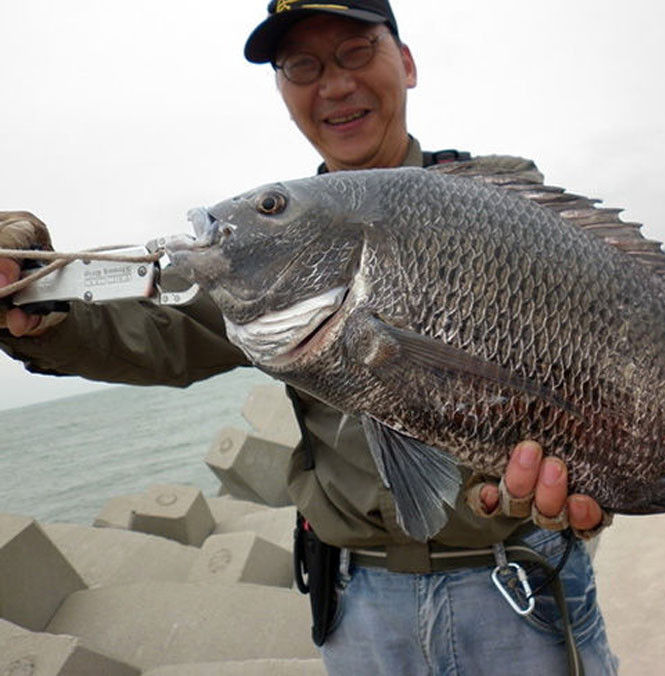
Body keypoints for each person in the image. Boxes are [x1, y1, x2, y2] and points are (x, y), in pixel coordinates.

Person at [0, 2, 619, 674]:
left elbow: (603, 352)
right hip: (359, 601)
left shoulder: (506, 203)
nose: (333, 84)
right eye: (302, 65)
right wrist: (43, 305)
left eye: (356, 50)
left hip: (519, 583)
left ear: (405, 63)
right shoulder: (266, 253)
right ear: (283, 91)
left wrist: (603, 478)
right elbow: (163, 330)